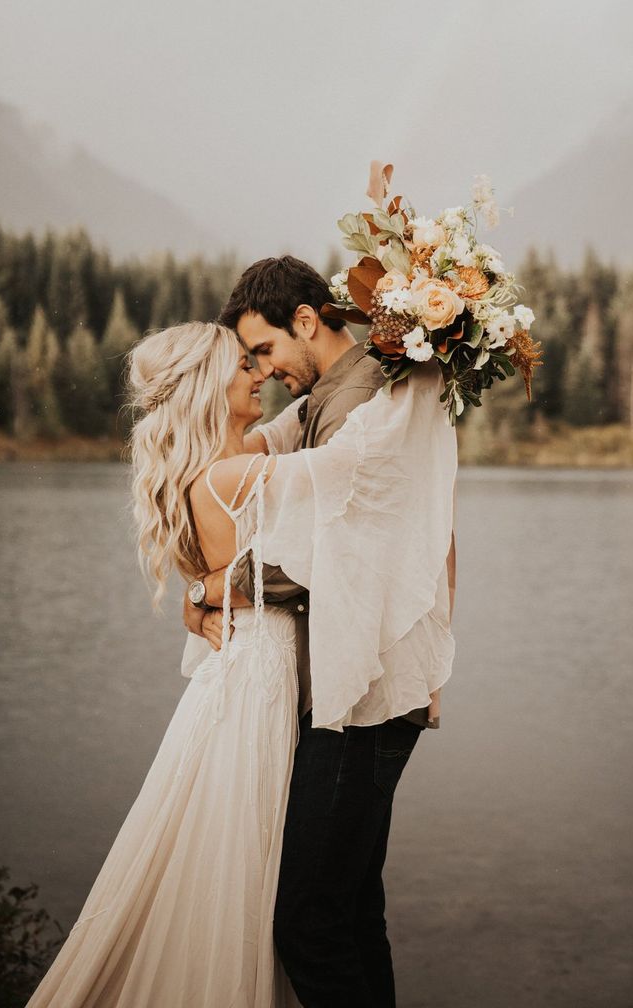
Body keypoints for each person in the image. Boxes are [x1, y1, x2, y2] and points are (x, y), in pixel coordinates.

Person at [184, 256, 457, 1008]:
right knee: (350, 911)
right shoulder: (328, 401)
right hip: (362, 681)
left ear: (307, 321)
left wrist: (211, 586)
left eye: (265, 350)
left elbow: (335, 558)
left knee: (305, 919)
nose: (265, 371)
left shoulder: (367, 401)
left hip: (364, 692)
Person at [26, 321, 302, 1007]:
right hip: (261, 676)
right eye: (244, 366)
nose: (259, 374)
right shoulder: (237, 474)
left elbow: (295, 432)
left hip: (240, 669)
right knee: (246, 855)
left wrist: (205, 588)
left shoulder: (212, 467)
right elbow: (343, 492)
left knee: (215, 847)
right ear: (211, 385)